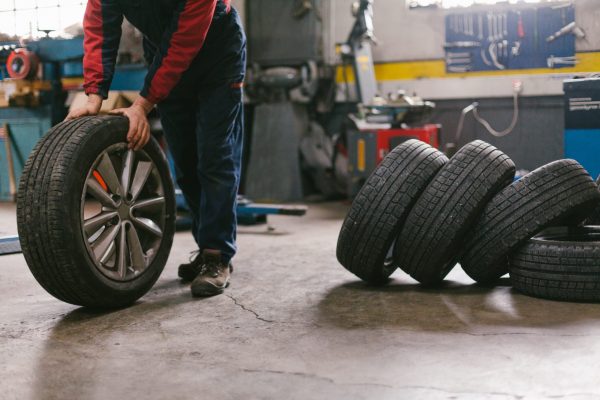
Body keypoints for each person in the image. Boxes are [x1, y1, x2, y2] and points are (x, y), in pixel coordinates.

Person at [67, 0, 246, 297]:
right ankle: (207, 250)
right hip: (163, 48)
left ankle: (216, 257)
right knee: (186, 162)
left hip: (217, 54)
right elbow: (100, 24)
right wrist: (94, 94)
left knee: (215, 158)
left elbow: (184, 44)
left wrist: (142, 105)